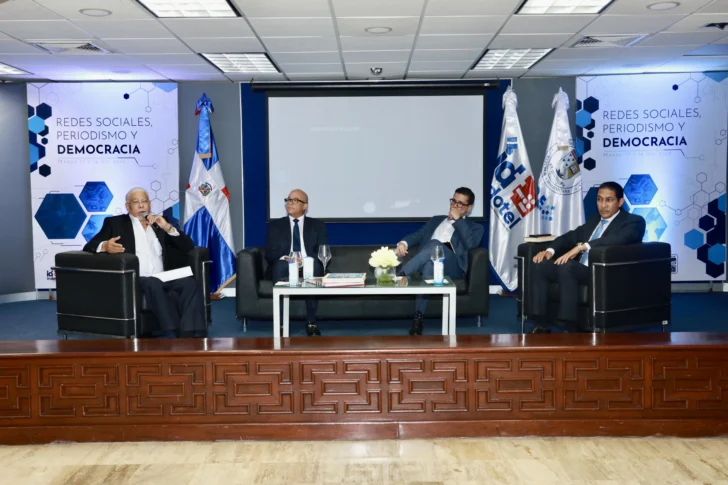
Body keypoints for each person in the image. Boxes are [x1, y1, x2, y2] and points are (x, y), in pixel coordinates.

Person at [83, 187, 207, 338]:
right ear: (128, 206)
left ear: (150, 205)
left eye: (145, 202)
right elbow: (89, 246)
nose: (141, 205)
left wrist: (168, 228)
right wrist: (105, 246)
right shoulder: (115, 223)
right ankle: (171, 331)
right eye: (136, 202)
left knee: (190, 283)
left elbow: (188, 246)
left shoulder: (160, 223)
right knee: (152, 283)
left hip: (164, 276)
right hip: (137, 278)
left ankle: (194, 333)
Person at [529, 181, 646, 333]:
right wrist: (549, 251)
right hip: (579, 270)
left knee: (568, 266)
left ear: (620, 202)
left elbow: (618, 239)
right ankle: (540, 322)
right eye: (599, 199)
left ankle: (569, 324)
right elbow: (569, 237)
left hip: (604, 273)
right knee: (541, 264)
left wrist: (581, 247)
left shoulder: (633, 221)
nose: (603, 205)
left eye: (609, 200)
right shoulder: (593, 220)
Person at [395, 187, 484, 335]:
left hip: (452, 266)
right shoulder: (436, 220)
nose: (455, 206)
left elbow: (470, 244)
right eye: (454, 201)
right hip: (428, 263)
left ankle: (401, 275)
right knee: (431, 264)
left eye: (460, 204)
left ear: (469, 208)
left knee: (435, 244)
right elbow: (418, 235)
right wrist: (403, 243)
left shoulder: (475, 228)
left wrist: (458, 220)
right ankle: (418, 319)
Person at [265, 189, 328, 336]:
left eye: (295, 200)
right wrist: (286, 258)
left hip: (309, 262)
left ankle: (311, 322)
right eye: (288, 200)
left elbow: (322, 251)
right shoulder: (276, 226)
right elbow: (269, 253)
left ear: (304, 206)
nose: (289, 203)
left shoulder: (317, 226)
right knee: (280, 266)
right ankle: (280, 323)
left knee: (314, 267)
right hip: (285, 263)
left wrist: (306, 260)